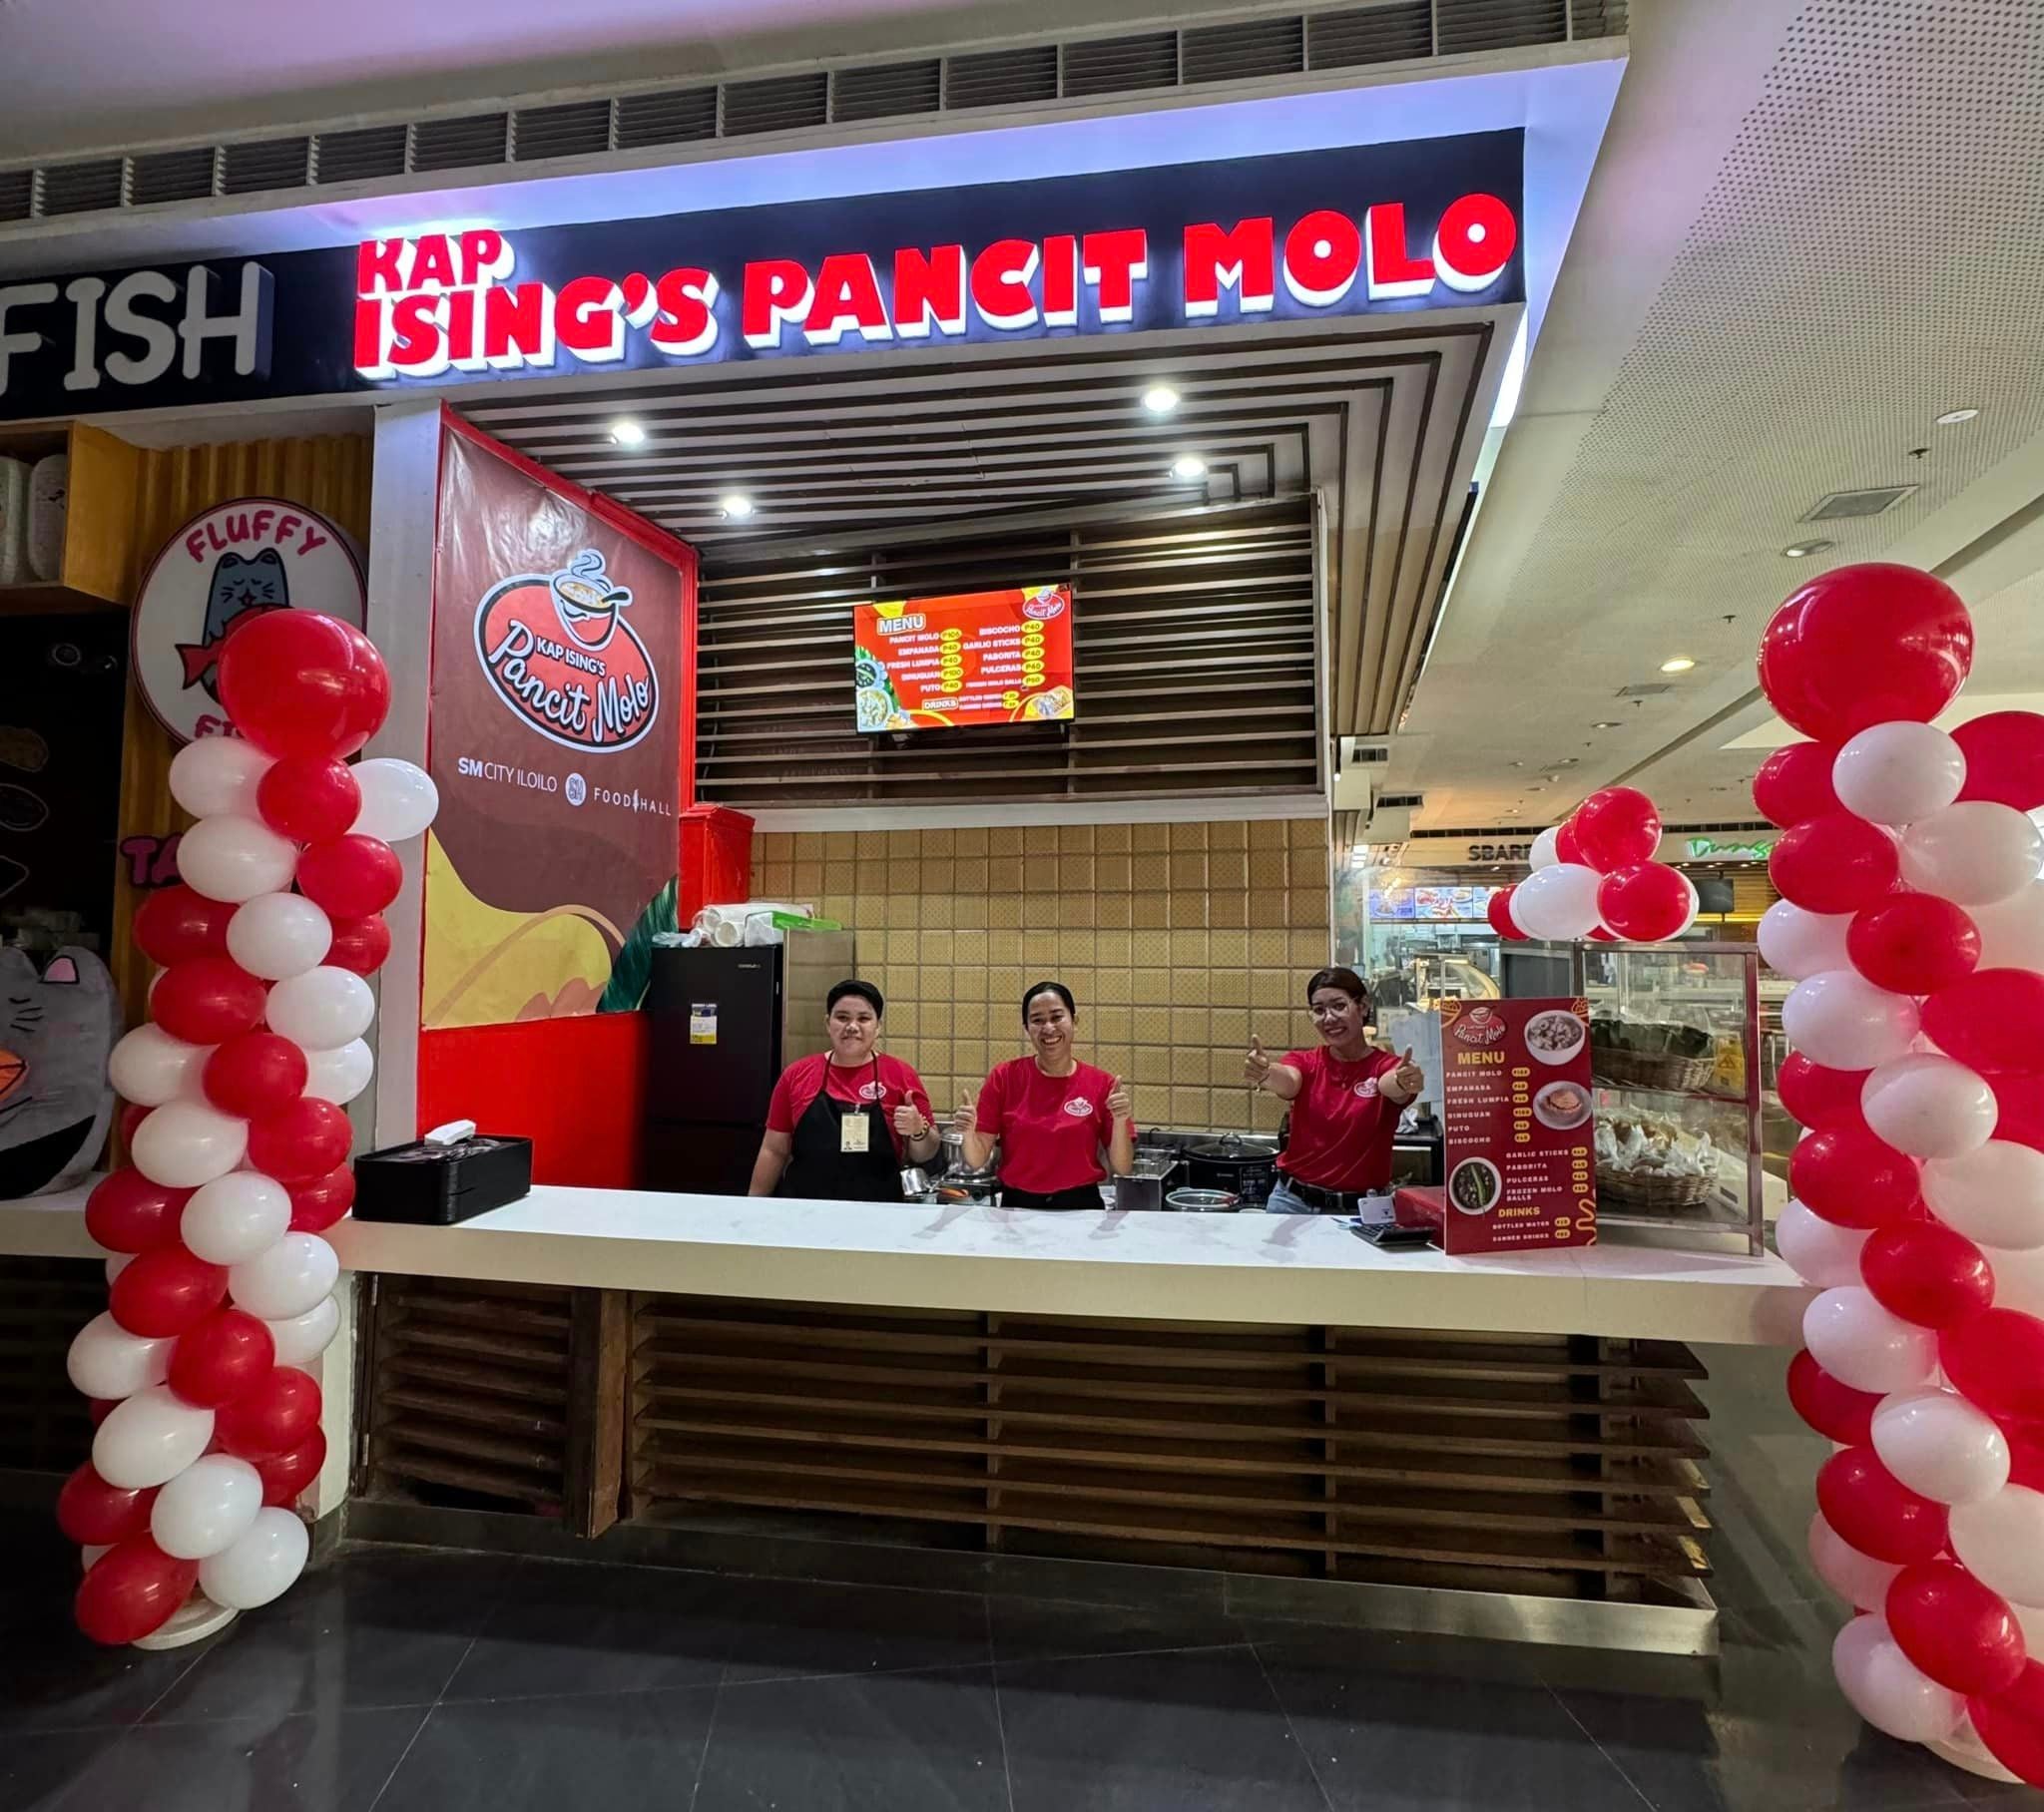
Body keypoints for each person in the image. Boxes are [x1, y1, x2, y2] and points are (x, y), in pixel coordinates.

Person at [1244, 966, 1424, 1213]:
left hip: (1362, 1209)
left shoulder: (1386, 1066)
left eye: (1339, 1006)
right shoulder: (1305, 1062)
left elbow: (1390, 1084)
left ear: (1363, 1006)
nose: (1329, 1018)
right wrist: (1265, 1074)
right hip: (1292, 1201)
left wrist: (1404, 1080)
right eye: (1319, 1010)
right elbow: (1287, 1080)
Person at [748, 980, 939, 1200]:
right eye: (842, 1017)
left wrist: (918, 1131)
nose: (852, 1027)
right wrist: (754, 1206)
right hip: (803, 1209)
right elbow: (774, 1150)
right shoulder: (796, 1074)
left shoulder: (901, 1074)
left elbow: (927, 1152)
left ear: (878, 1027)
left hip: (879, 1211)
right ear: (828, 1023)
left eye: (864, 1019)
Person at [955, 980, 1135, 1209]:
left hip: (1081, 1206)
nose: (1048, 1028)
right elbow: (976, 1159)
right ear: (1027, 1028)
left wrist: (1120, 1121)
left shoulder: (1102, 1084)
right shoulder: (1004, 1077)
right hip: (1017, 1207)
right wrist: (968, 1133)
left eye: (1057, 1017)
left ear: (1074, 1021)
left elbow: (1123, 1167)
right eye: (1037, 1020)